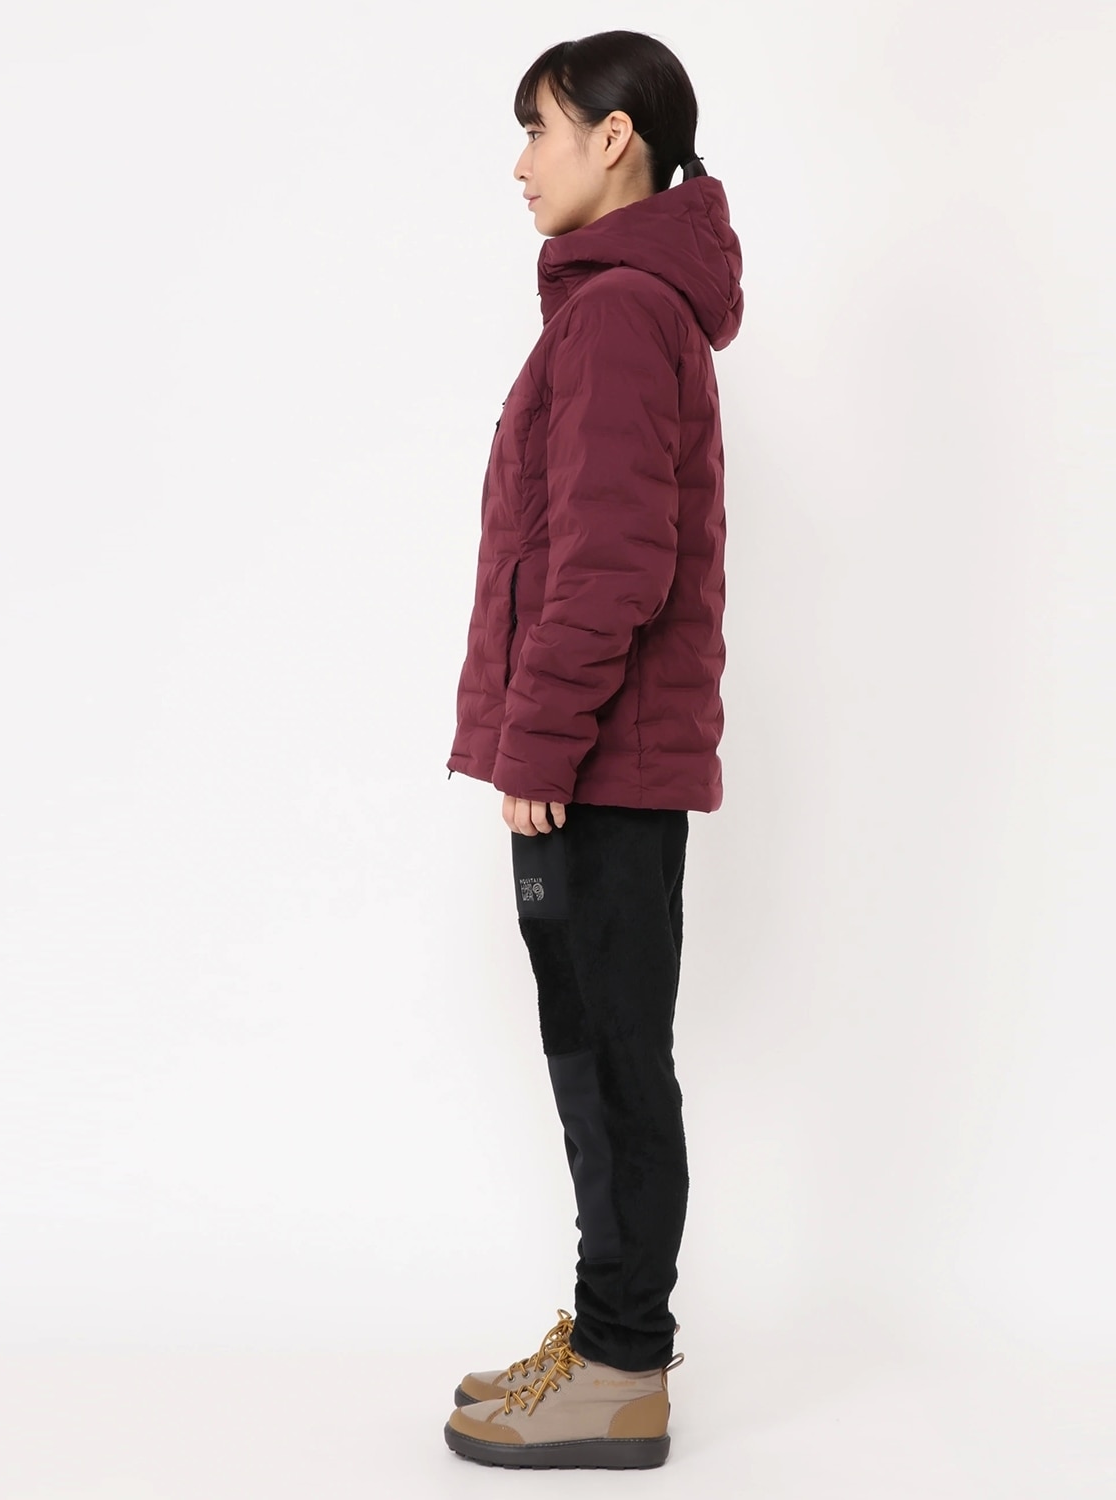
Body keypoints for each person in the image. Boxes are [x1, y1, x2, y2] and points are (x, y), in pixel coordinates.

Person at [442, 28, 744, 1470]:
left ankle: (625, 1369)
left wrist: (539, 745)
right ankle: (607, 1335)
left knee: (614, 1060)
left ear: (613, 138)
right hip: (598, 761)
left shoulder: (620, 309)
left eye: (538, 130)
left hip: (601, 768)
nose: (520, 164)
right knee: (593, 1055)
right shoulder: (616, 306)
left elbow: (612, 564)